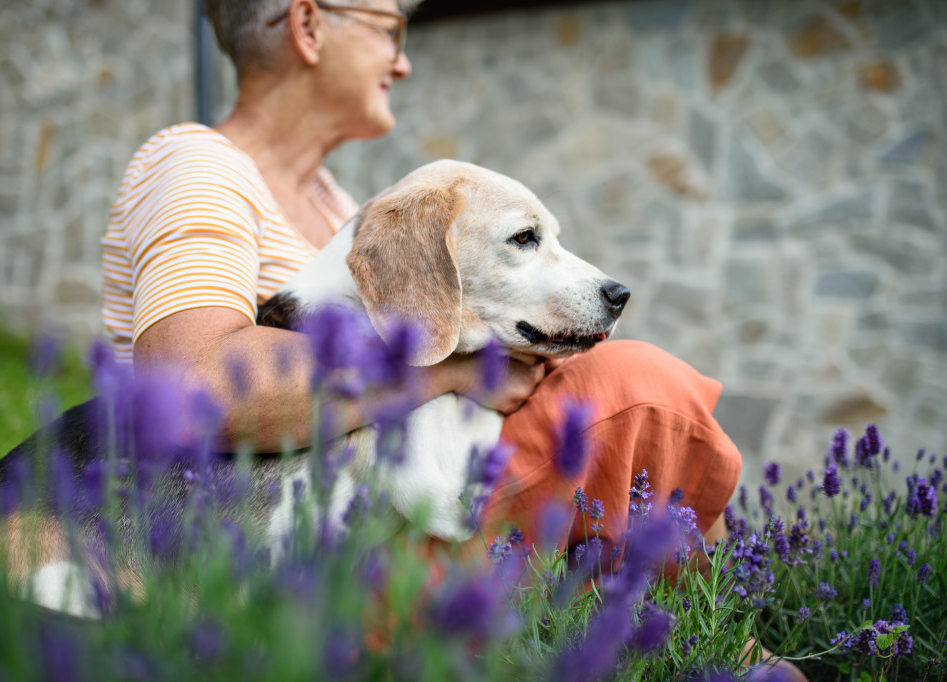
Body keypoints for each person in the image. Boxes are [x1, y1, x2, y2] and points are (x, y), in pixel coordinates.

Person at [100, 0, 740, 567]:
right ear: (309, 24)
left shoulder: (334, 206)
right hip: (293, 541)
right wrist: (451, 372)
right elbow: (189, 386)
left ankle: (696, 634)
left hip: (379, 504)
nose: (403, 64)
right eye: (391, 29)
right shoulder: (198, 164)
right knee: (639, 393)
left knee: (624, 401)